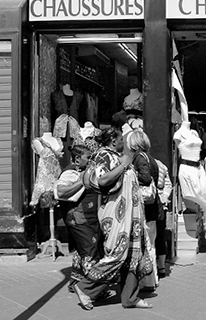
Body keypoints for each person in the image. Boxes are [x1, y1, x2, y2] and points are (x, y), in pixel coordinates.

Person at [73, 127, 153, 310]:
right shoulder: (104, 156)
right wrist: (124, 165)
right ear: (114, 141)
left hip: (130, 216)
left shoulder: (117, 157)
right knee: (117, 254)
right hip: (116, 215)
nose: (124, 143)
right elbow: (102, 181)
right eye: (121, 140)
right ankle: (86, 288)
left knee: (132, 254)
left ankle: (130, 297)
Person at [54, 144, 103, 295]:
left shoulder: (82, 171)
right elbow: (60, 192)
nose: (90, 161)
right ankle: (89, 288)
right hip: (78, 218)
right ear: (77, 158)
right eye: (88, 158)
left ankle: (76, 282)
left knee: (83, 250)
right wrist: (82, 180)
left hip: (87, 217)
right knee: (90, 251)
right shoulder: (70, 173)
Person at [126, 130, 160, 292]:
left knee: (145, 243)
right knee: (150, 243)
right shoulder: (151, 158)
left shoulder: (140, 158)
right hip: (152, 207)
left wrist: (129, 173)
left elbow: (145, 178)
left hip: (144, 207)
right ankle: (152, 279)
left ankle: (147, 281)